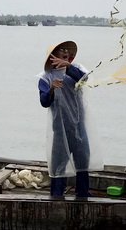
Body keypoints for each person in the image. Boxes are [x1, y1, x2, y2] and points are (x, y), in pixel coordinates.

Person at [38, 40, 102, 197]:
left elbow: (84, 79)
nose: (65, 52)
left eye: (67, 50)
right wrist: (52, 88)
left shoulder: (77, 69)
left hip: (79, 125)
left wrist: (67, 67)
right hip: (60, 127)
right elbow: (44, 102)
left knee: (83, 160)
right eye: (61, 50)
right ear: (53, 56)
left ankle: (83, 192)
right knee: (58, 164)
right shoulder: (45, 77)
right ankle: (57, 195)